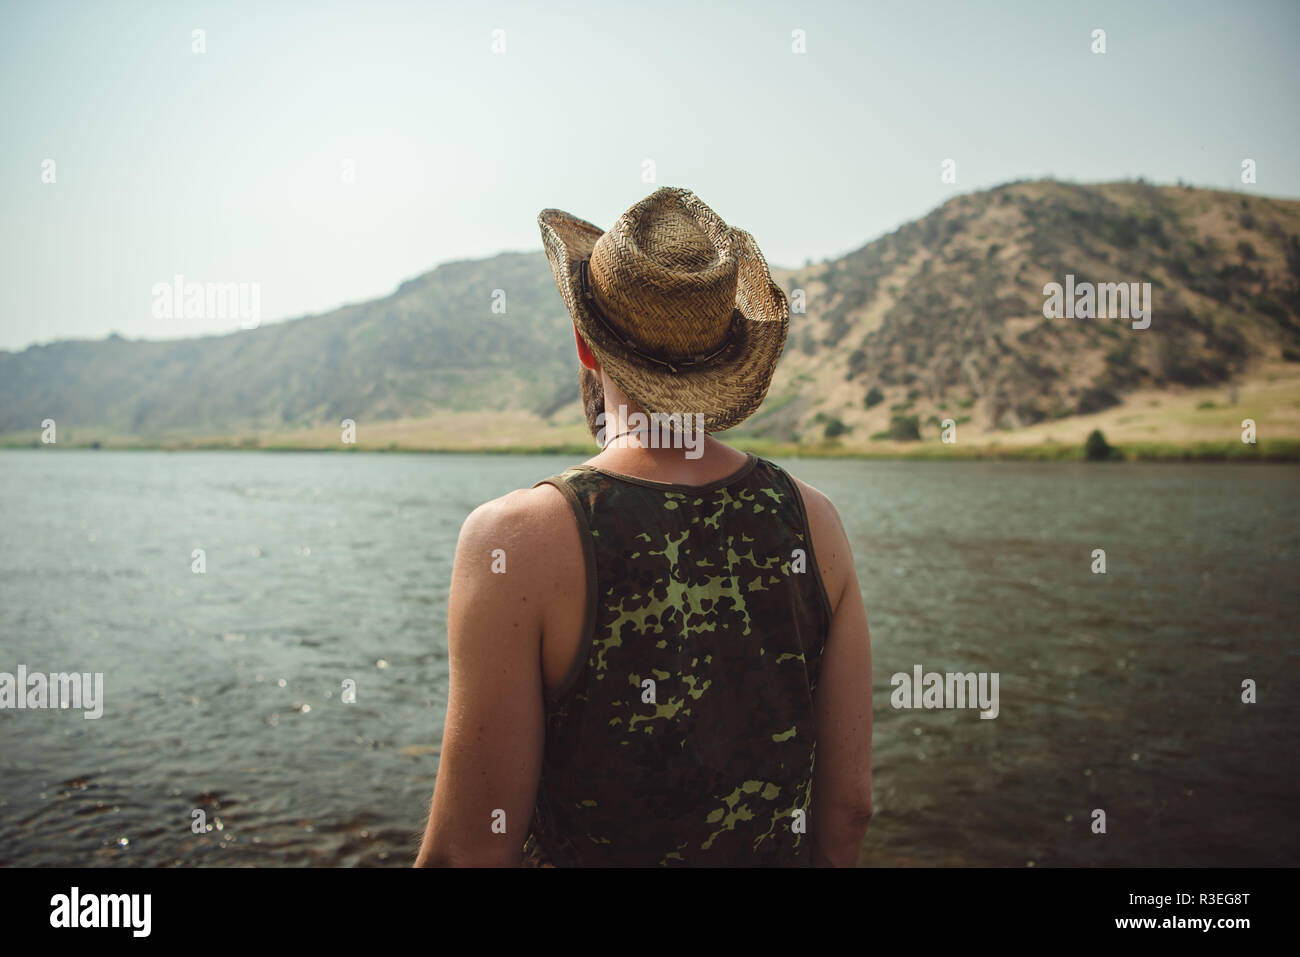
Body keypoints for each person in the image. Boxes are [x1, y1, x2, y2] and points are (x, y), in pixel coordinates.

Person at [415, 187, 872, 867]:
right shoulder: (815, 522)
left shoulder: (516, 539)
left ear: (584, 342)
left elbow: (469, 851)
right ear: (722, 358)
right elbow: (849, 809)